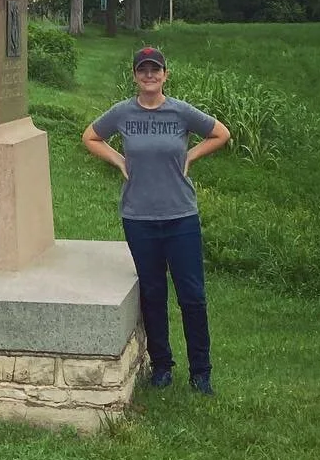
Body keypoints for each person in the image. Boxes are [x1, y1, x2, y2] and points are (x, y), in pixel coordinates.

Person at [83, 45, 230, 393]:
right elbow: (90, 136)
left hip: (181, 216)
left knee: (192, 295)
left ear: (165, 75)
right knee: (152, 292)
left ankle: (201, 372)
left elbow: (221, 133)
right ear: (135, 76)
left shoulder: (180, 112)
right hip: (138, 217)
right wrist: (119, 160)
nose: (149, 75)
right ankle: (161, 366)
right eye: (143, 70)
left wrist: (191, 156)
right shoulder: (122, 113)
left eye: (155, 69)